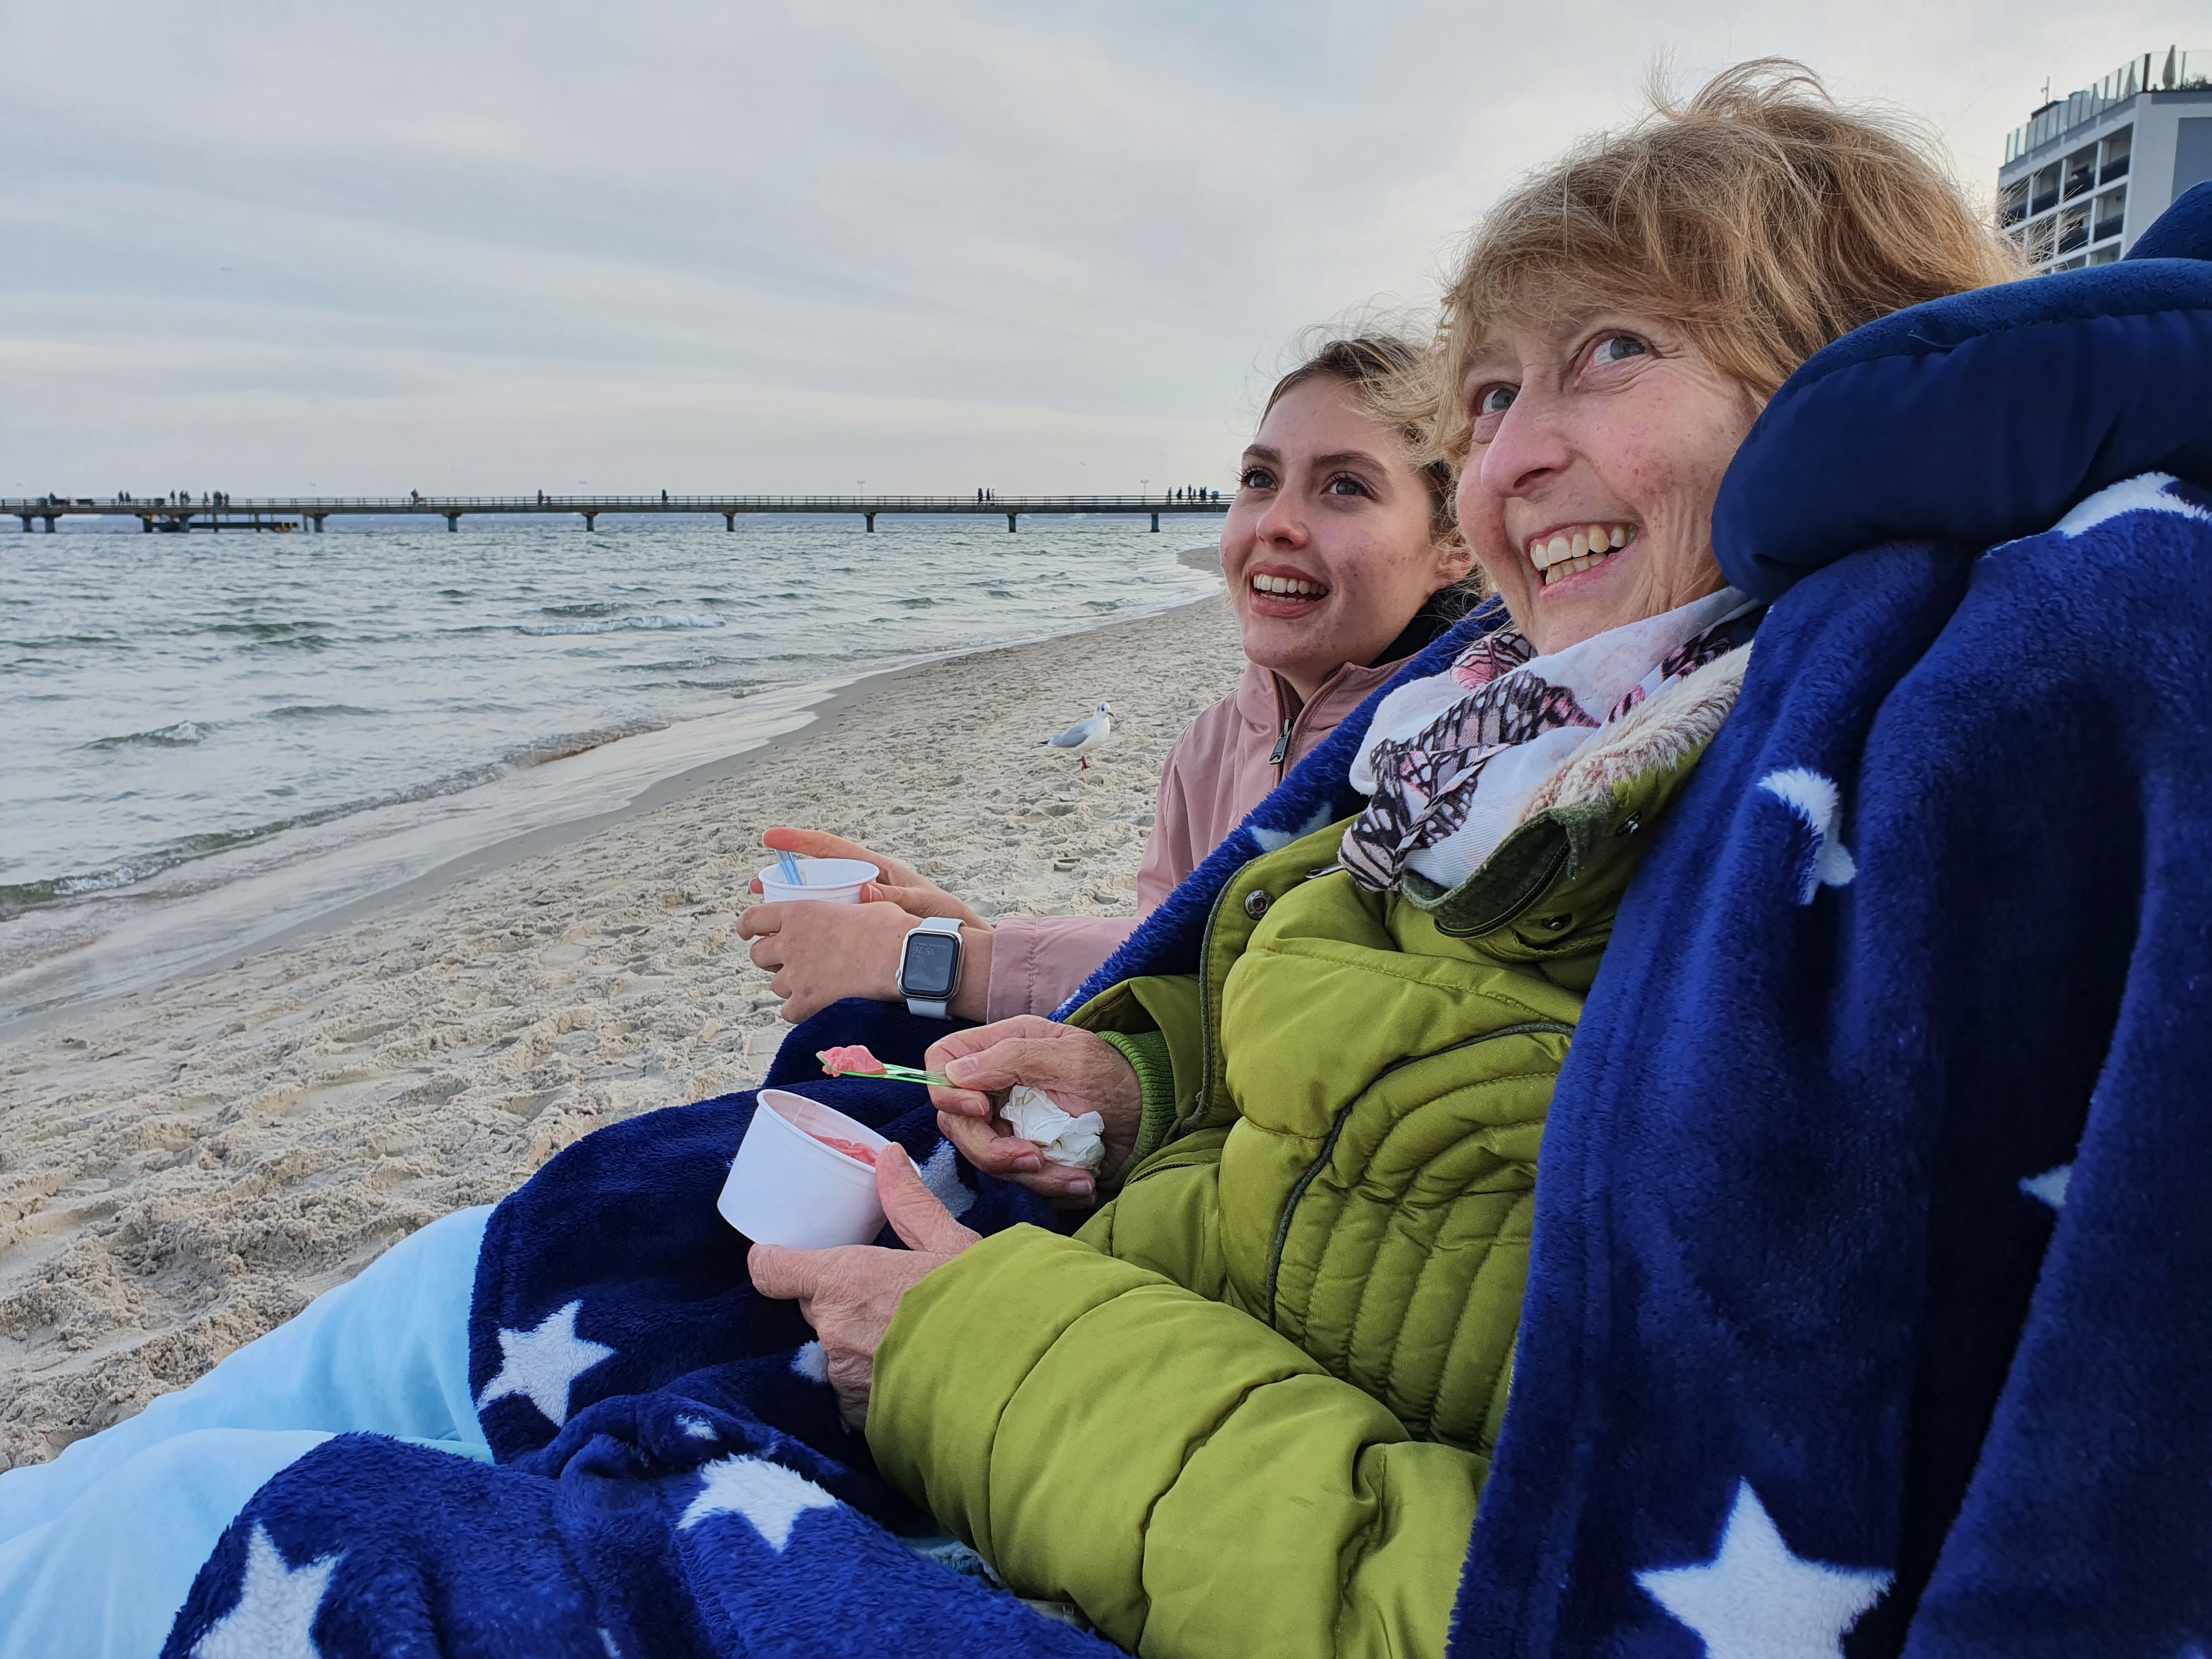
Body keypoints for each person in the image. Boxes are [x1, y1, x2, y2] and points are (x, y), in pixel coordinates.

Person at [15, 65, 2208, 1659]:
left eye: (1607, 358)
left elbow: (1544, 1541)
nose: (1517, 447)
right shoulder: (1478, 764)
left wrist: (964, 1135)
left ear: (1849, 377)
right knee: (481, 1269)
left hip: (1077, 1426)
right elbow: (1290, 1092)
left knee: (190, 1532)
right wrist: (1119, 1096)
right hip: (1086, 1338)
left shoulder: (1822, 845)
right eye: (1496, 391)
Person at [739, 335, 1478, 1027]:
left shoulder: (1465, 742)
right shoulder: (1211, 745)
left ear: (1456, 543)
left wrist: (935, 960)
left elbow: (1283, 996)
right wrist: (961, 928)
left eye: (1345, 487)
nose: (1275, 524)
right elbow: (1164, 961)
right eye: (1259, 479)